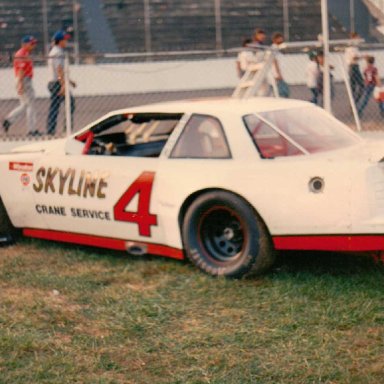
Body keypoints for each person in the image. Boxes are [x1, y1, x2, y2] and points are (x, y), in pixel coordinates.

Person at [3, 35, 39, 136]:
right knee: (31, 105)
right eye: (31, 43)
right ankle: (31, 130)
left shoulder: (24, 53)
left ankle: (9, 120)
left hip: (23, 80)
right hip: (24, 80)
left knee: (24, 104)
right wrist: (20, 83)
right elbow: (21, 70)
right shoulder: (22, 54)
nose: (33, 45)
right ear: (24, 44)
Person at [47, 30, 76, 135]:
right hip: (57, 83)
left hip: (55, 82)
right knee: (69, 104)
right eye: (65, 40)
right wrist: (63, 84)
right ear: (60, 41)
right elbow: (59, 69)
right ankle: (66, 129)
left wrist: (69, 81)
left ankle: (52, 130)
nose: (66, 42)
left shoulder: (55, 51)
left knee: (55, 107)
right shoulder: (58, 52)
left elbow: (61, 70)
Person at [344, 32, 364, 104]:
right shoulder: (351, 48)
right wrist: (363, 57)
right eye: (357, 37)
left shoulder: (354, 47)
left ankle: (354, 101)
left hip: (354, 67)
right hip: (353, 67)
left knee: (357, 86)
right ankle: (354, 102)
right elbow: (354, 58)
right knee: (356, 86)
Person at [271, 32, 289, 98]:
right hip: (278, 74)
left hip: (282, 73)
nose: (281, 40)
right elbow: (274, 61)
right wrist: (278, 73)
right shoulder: (274, 48)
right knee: (282, 92)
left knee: (282, 91)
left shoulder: (280, 48)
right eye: (279, 39)